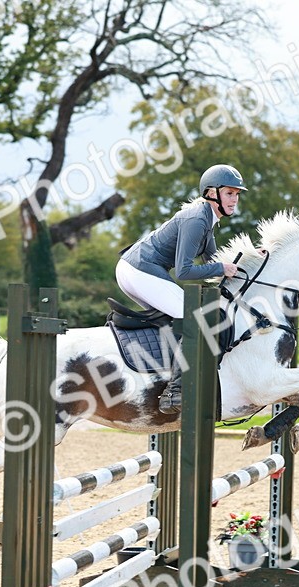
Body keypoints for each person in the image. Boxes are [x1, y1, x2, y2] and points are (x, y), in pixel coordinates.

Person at [116, 164, 246, 414]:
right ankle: (175, 393)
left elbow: (214, 259)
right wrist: (221, 268)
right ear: (212, 193)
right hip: (139, 270)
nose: (235, 200)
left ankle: (157, 380)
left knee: (176, 321)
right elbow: (184, 271)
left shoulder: (208, 220)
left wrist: (252, 258)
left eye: (237, 194)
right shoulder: (197, 219)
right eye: (230, 193)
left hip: (135, 270)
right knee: (194, 320)